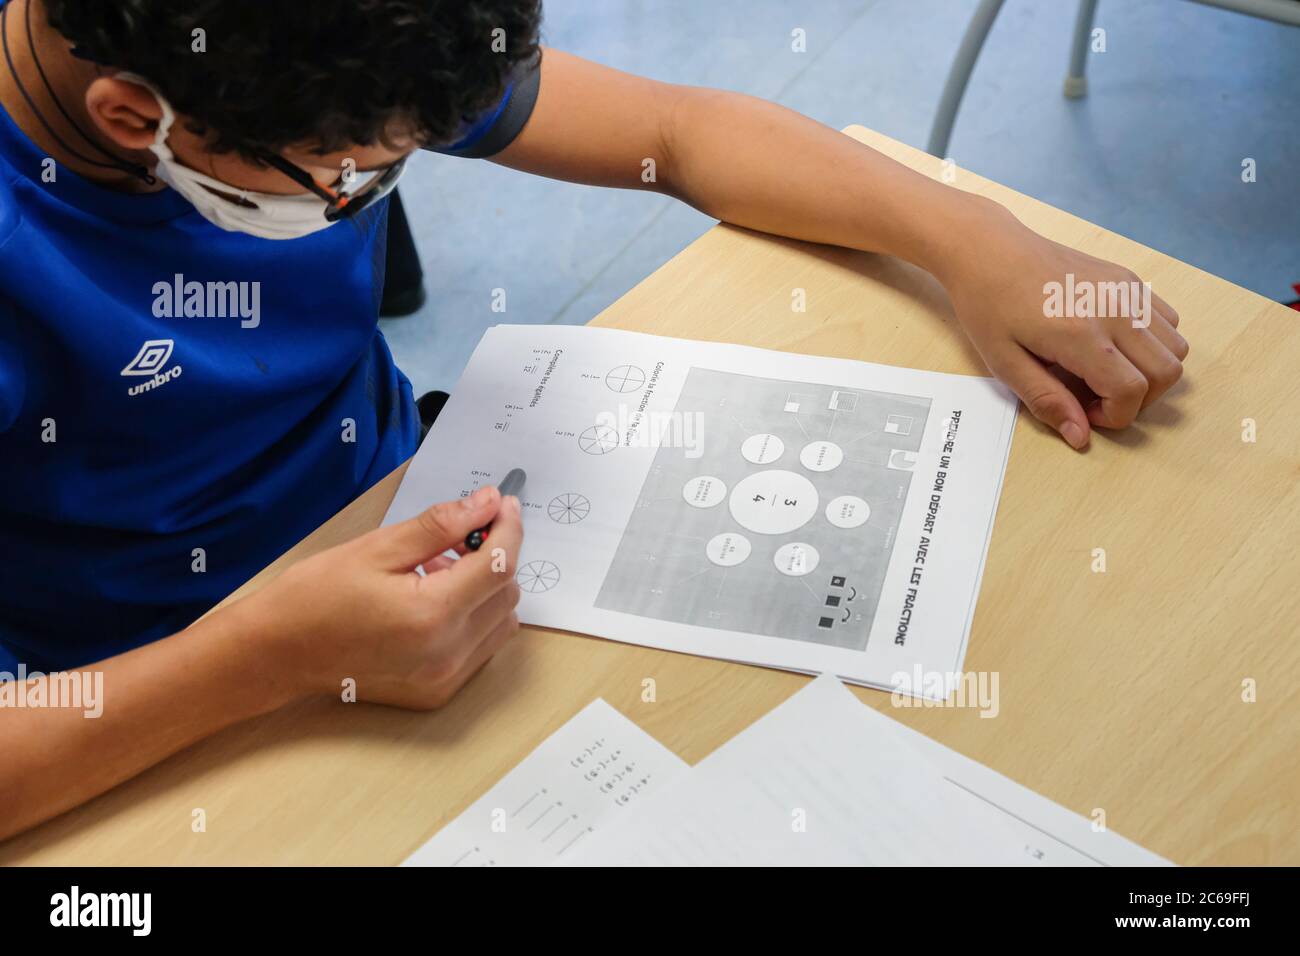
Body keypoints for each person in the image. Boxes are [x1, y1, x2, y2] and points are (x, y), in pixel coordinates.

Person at [0, 0, 1186, 839]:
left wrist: (972, 242)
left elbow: (674, 135)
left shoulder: (323, 43)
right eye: (349, 178)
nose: (371, 191)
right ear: (130, 118)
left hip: (395, 533)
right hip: (140, 691)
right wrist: (262, 656)